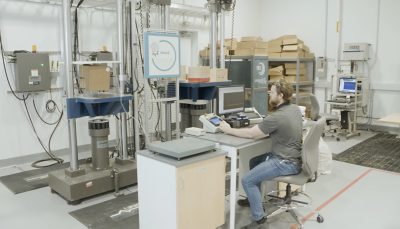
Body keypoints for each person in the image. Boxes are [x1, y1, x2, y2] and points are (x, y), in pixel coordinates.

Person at [219, 79, 303, 225]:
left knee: (247, 180)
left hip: (285, 161)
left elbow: (251, 134)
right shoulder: (294, 109)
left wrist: (228, 130)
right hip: (293, 157)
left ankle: (259, 218)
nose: (269, 95)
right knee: (254, 161)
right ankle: (254, 199)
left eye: (272, 93)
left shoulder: (277, 117)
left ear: (281, 95)